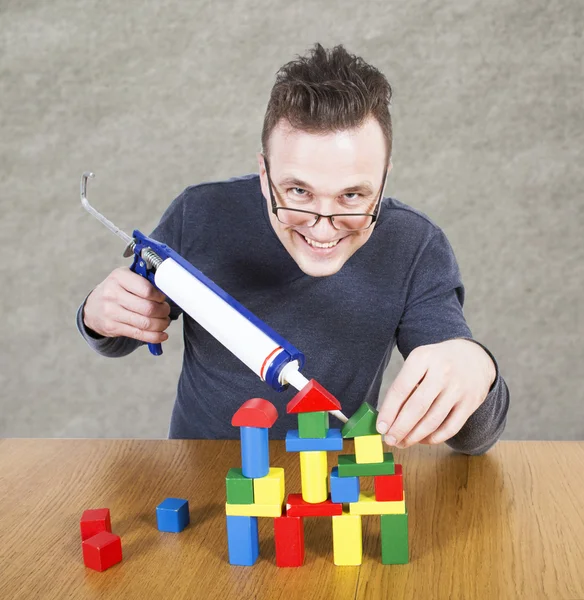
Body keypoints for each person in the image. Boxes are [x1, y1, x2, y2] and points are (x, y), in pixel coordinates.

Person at [77, 43, 509, 454]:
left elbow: (474, 436)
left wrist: (478, 370)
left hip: (332, 487)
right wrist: (99, 316)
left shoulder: (415, 247)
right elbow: (120, 337)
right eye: (299, 191)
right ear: (264, 174)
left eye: (353, 197)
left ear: (384, 178)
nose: (323, 226)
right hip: (204, 479)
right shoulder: (200, 213)